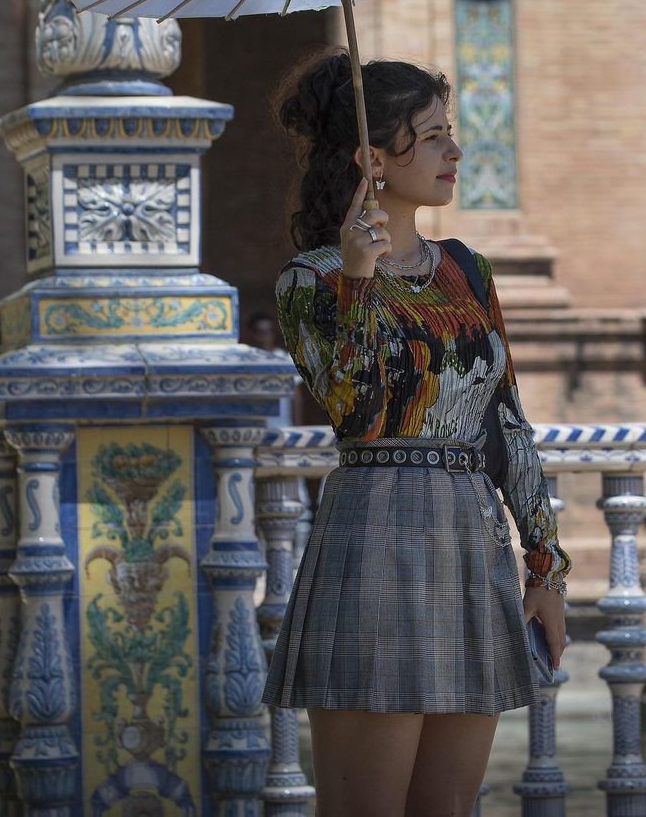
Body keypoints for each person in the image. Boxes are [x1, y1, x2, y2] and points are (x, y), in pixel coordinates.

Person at [262, 50, 570, 817]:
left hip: (471, 545)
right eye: (432, 137)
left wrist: (547, 568)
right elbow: (353, 408)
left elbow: (509, 422)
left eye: (449, 132)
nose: (454, 152)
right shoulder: (310, 280)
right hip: (375, 542)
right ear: (374, 157)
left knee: (449, 809)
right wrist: (360, 281)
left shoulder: (469, 270)